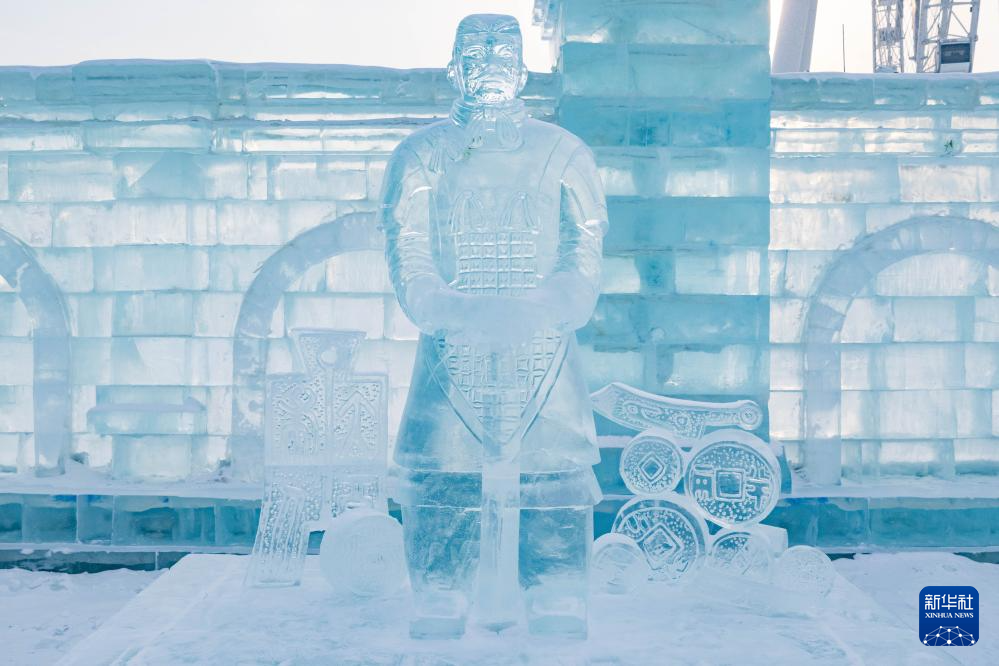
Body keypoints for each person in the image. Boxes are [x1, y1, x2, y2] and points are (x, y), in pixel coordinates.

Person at [381, 13, 606, 639]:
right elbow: (407, 252)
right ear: (453, 67)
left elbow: (583, 251)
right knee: (441, 471)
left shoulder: (563, 153)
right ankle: (440, 589)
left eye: (503, 51)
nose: (489, 64)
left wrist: (543, 308)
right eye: (475, 53)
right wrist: (453, 312)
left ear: (524, 68)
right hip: (452, 346)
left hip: (543, 346)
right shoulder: (420, 155)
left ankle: (556, 587)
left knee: (555, 474)